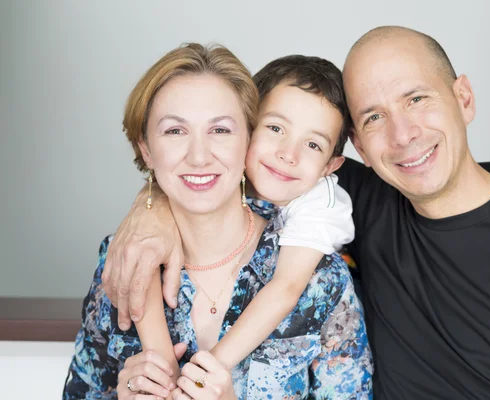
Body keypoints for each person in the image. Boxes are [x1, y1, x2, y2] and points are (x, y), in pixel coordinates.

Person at [104, 26, 490, 399]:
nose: (403, 135)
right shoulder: (355, 198)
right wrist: (151, 208)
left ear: (463, 98)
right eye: (374, 118)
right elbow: (217, 154)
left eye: (418, 99)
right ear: (357, 147)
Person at [62, 42, 372, 399]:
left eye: (220, 130)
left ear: (246, 138)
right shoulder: (122, 258)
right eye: (175, 131)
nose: (198, 156)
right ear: (146, 149)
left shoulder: (322, 278)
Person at [132, 52, 358, 389]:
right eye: (275, 128)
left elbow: (286, 288)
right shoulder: (129, 248)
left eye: (312, 144)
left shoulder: (318, 216)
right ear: (250, 128)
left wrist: (202, 377)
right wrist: (149, 209)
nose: (287, 154)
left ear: (330, 166)